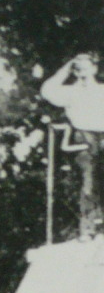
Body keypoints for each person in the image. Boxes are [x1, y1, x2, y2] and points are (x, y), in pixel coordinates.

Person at [41, 54, 104, 236]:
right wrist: (66, 68)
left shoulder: (102, 90)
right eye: (77, 69)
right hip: (84, 137)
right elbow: (47, 90)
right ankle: (90, 227)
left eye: (85, 67)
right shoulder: (69, 92)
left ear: (94, 68)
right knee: (89, 181)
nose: (81, 72)